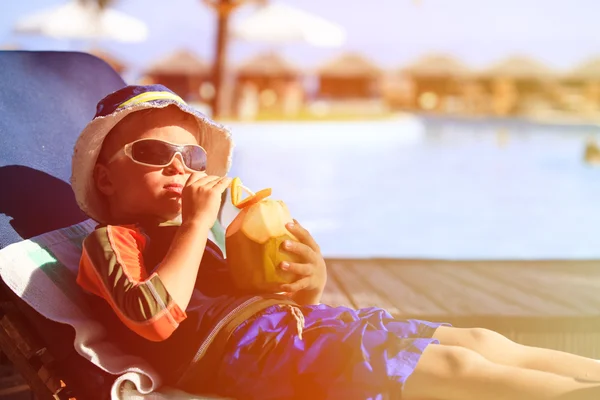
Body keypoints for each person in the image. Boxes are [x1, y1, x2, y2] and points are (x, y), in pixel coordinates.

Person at [72, 84, 600, 400]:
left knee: (481, 340)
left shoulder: (199, 233)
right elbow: (154, 316)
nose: (177, 168)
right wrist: (194, 227)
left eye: (193, 159)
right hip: (250, 354)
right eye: (150, 153)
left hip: (291, 331)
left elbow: (243, 297)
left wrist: (307, 282)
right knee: (459, 371)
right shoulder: (110, 240)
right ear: (106, 180)